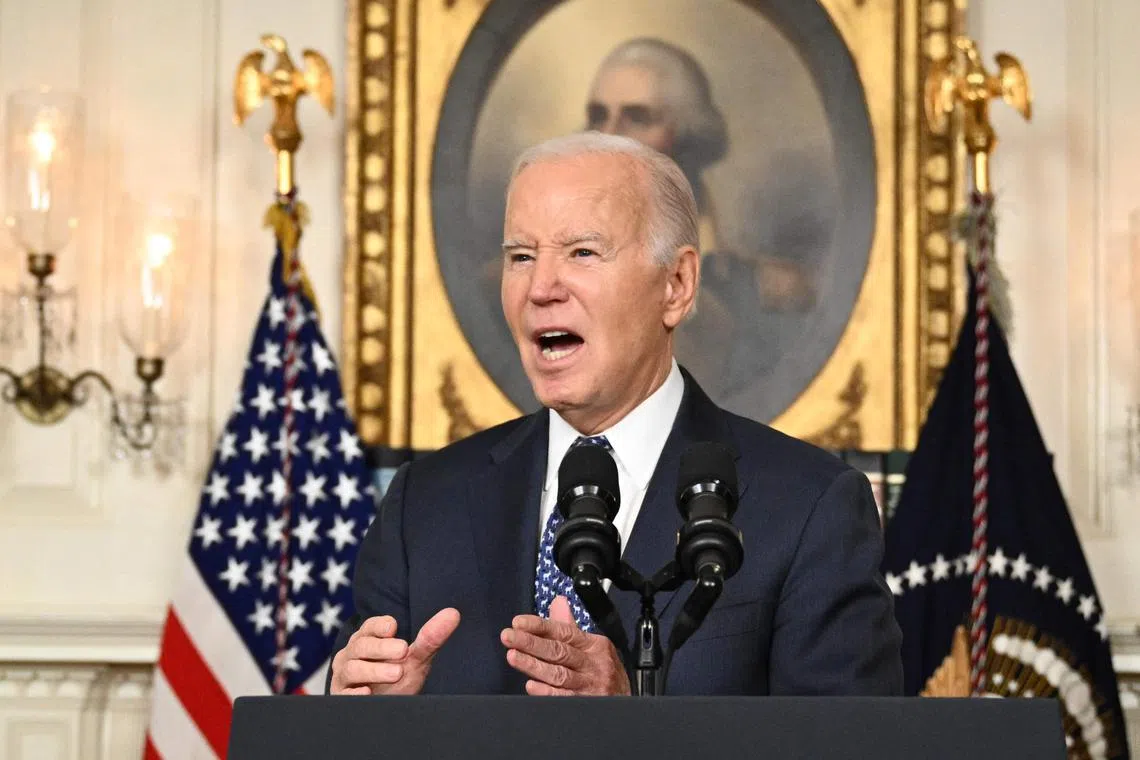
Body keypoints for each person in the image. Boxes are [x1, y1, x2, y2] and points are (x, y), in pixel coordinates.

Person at [328, 132, 902, 697]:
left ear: (677, 285)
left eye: (582, 252)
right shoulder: (423, 504)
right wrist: (363, 723)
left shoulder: (810, 507)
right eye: (520, 257)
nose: (541, 287)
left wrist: (636, 725)